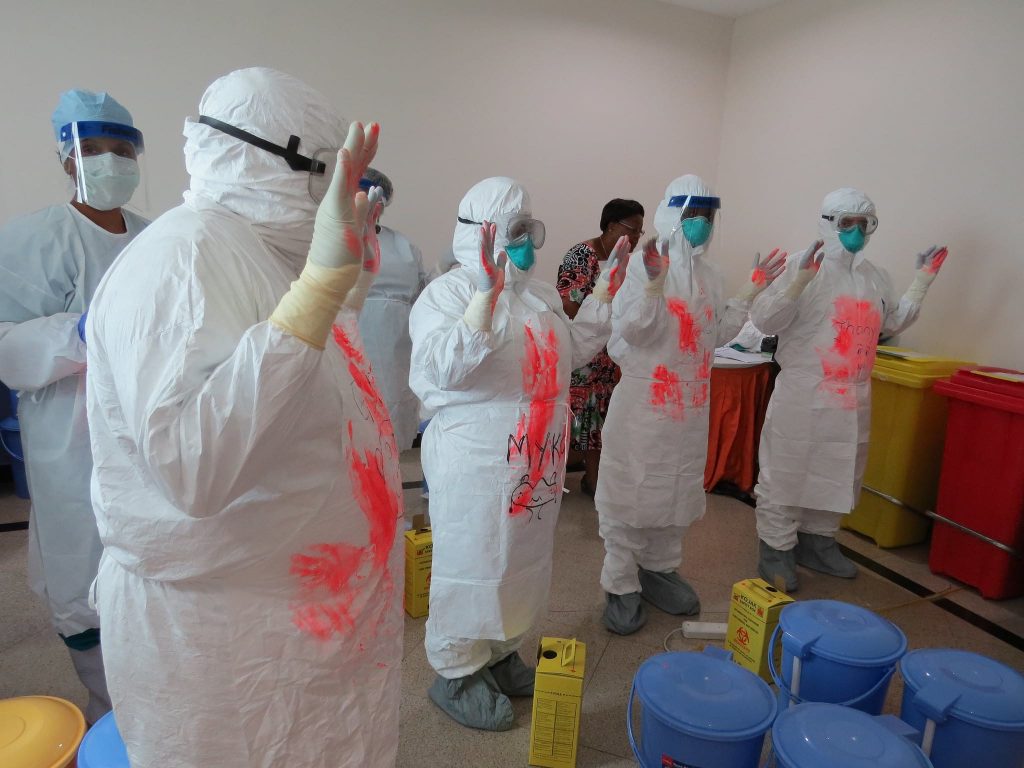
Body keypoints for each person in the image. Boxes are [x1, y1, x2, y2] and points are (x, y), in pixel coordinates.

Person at [84, 67, 403, 767]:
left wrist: (339, 290)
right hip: (234, 644)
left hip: (301, 624)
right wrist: (319, 289)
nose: (339, 198)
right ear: (279, 162)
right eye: (331, 176)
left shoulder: (262, 255)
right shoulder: (178, 261)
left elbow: (302, 402)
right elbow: (195, 467)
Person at [409, 177, 629, 731]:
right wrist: (484, 296)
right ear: (480, 236)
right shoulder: (448, 294)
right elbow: (439, 371)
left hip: (536, 460)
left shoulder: (540, 297)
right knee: (474, 560)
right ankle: (456, 671)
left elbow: (572, 352)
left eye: (530, 228)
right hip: (477, 463)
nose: (528, 241)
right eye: (516, 231)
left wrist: (604, 293)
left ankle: (502, 652)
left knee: (522, 560)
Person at [0, 89, 148, 723]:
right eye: (94, 149)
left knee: (150, 565)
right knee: (82, 566)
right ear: (67, 158)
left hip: (147, 430)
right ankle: (108, 708)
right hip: (71, 435)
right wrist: (82, 331)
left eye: (122, 149)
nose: (110, 161)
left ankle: (160, 695)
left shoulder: (156, 236)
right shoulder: (30, 240)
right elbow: (6, 348)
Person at [596, 175, 787, 635]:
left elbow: (715, 336)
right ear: (673, 215)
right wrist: (654, 286)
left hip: (690, 405)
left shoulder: (709, 274)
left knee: (679, 492)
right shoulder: (644, 264)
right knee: (632, 493)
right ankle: (620, 582)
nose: (701, 224)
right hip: (645, 404)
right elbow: (632, 335)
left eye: (708, 216)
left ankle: (660, 568)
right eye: (693, 215)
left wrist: (749, 291)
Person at [751, 187, 947, 592]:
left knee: (837, 471)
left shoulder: (874, 277)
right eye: (847, 223)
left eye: (865, 224)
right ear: (827, 223)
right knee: (787, 471)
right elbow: (765, 320)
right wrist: (794, 284)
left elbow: (888, 324)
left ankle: (819, 542)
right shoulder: (802, 266)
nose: (856, 232)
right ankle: (776, 548)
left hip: (851, 396)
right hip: (804, 393)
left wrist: (922, 282)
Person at [557, 199, 644, 496]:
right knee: (584, 420)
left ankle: (593, 479)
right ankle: (586, 482)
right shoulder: (582, 255)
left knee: (600, 422)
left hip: (611, 357)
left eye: (640, 233)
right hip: (584, 355)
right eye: (632, 230)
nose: (635, 239)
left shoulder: (628, 261)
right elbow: (568, 306)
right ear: (611, 225)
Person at [355, 167, 428, 450]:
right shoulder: (329, 238)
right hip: (353, 337)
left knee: (390, 421)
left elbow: (422, 294)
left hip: (396, 348)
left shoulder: (402, 245)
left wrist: (443, 270)